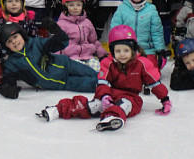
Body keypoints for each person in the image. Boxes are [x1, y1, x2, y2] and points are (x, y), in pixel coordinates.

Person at [36, 25, 172, 132]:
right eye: (118, 51)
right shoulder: (108, 63)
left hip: (132, 98)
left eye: (126, 50)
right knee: (94, 105)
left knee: (124, 104)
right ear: (112, 52)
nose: (122, 55)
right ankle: (58, 110)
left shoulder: (142, 64)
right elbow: (102, 82)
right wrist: (105, 96)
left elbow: (155, 84)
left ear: (133, 50)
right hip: (111, 94)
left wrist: (165, 100)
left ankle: (112, 118)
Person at [0, 20, 98, 100]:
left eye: (15, 37)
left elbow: (61, 43)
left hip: (68, 65)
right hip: (60, 83)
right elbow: (7, 81)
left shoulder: (36, 43)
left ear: (22, 35)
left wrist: (56, 31)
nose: (14, 42)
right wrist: (8, 91)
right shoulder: (12, 64)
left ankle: (108, 79)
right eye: (9, 41)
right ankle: (106, 86)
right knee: (91, 85)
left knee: (92, 74)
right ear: (6, 47)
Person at [110, 0, 169, 71]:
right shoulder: (122, 9)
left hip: (147, 50)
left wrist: (160, 50)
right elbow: (115, 29)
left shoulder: (151, 9)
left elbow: (156, 32)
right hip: (127, 49)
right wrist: (115, 47)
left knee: (151, 72)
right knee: (124, 72)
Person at [56, 0, 108, 72]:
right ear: (66, 7)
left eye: (78, 5)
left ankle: (98, 83)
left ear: (83, 7)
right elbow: (56, 43)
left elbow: (94, 41)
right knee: (81, 70)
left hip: (88, 55)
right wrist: (55, 59)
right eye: (71, 5)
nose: (75, 8)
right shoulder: (61, 24)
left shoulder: (87, 23)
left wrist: (102, 54)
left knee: (99, 69)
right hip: (71, 57)